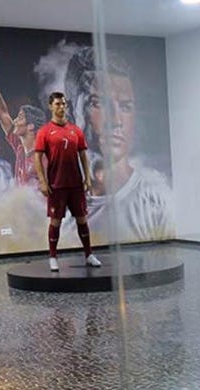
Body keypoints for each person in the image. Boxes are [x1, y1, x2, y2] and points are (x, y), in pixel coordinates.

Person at [64, 46, 173, 243]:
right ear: (71, 111)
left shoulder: (156, 200)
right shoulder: (59, 205)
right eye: (98, 103)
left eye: (125, 107)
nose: (116, 121)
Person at [34, 91, 102, 272]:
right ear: (50, 106)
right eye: (58, 104)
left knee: (82, 219)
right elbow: (37, 158)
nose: (61, 107)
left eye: (64, 104)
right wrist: (42, 181)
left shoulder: (76, 130)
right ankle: (53, 257)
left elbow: (83, 155)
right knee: (55, 221)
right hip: (56, 185)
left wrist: (87, 177)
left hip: (76, 184)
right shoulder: (44, 132)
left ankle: (89, 255)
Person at [0, 49, 47, 187]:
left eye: (20, 117)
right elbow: (1, 113)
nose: (15, 121)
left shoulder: (43, 158)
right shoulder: (20, 147)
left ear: (31, 126)